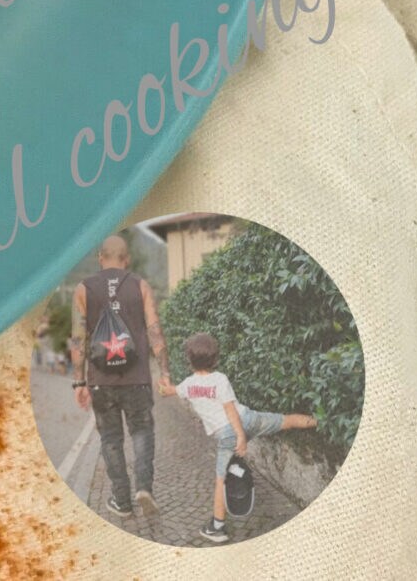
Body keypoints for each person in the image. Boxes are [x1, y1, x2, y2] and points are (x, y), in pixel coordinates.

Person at [175, 331, 319, 544]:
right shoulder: (220, 379)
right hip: (249, 419)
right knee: (285, 421)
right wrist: (242, 434)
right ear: (215, 358)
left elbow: (228, 411)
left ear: (189, 360)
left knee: (220, 480)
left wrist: (241, 438)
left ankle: (217, 527)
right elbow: (233, 410)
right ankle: (322, 422)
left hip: (230, 434)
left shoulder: (187, 385)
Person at [72, 233, 170, 519]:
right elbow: (155, 331)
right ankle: (144, 488)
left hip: (101, 381)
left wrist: (79, 382)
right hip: (137, 377)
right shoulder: (140, 285)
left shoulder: (82, 289)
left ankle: (122, 501)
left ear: (100, 258)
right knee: (142, 431)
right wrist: (164, 372)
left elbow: (77, 340)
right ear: (127, 259)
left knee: (111, 439)